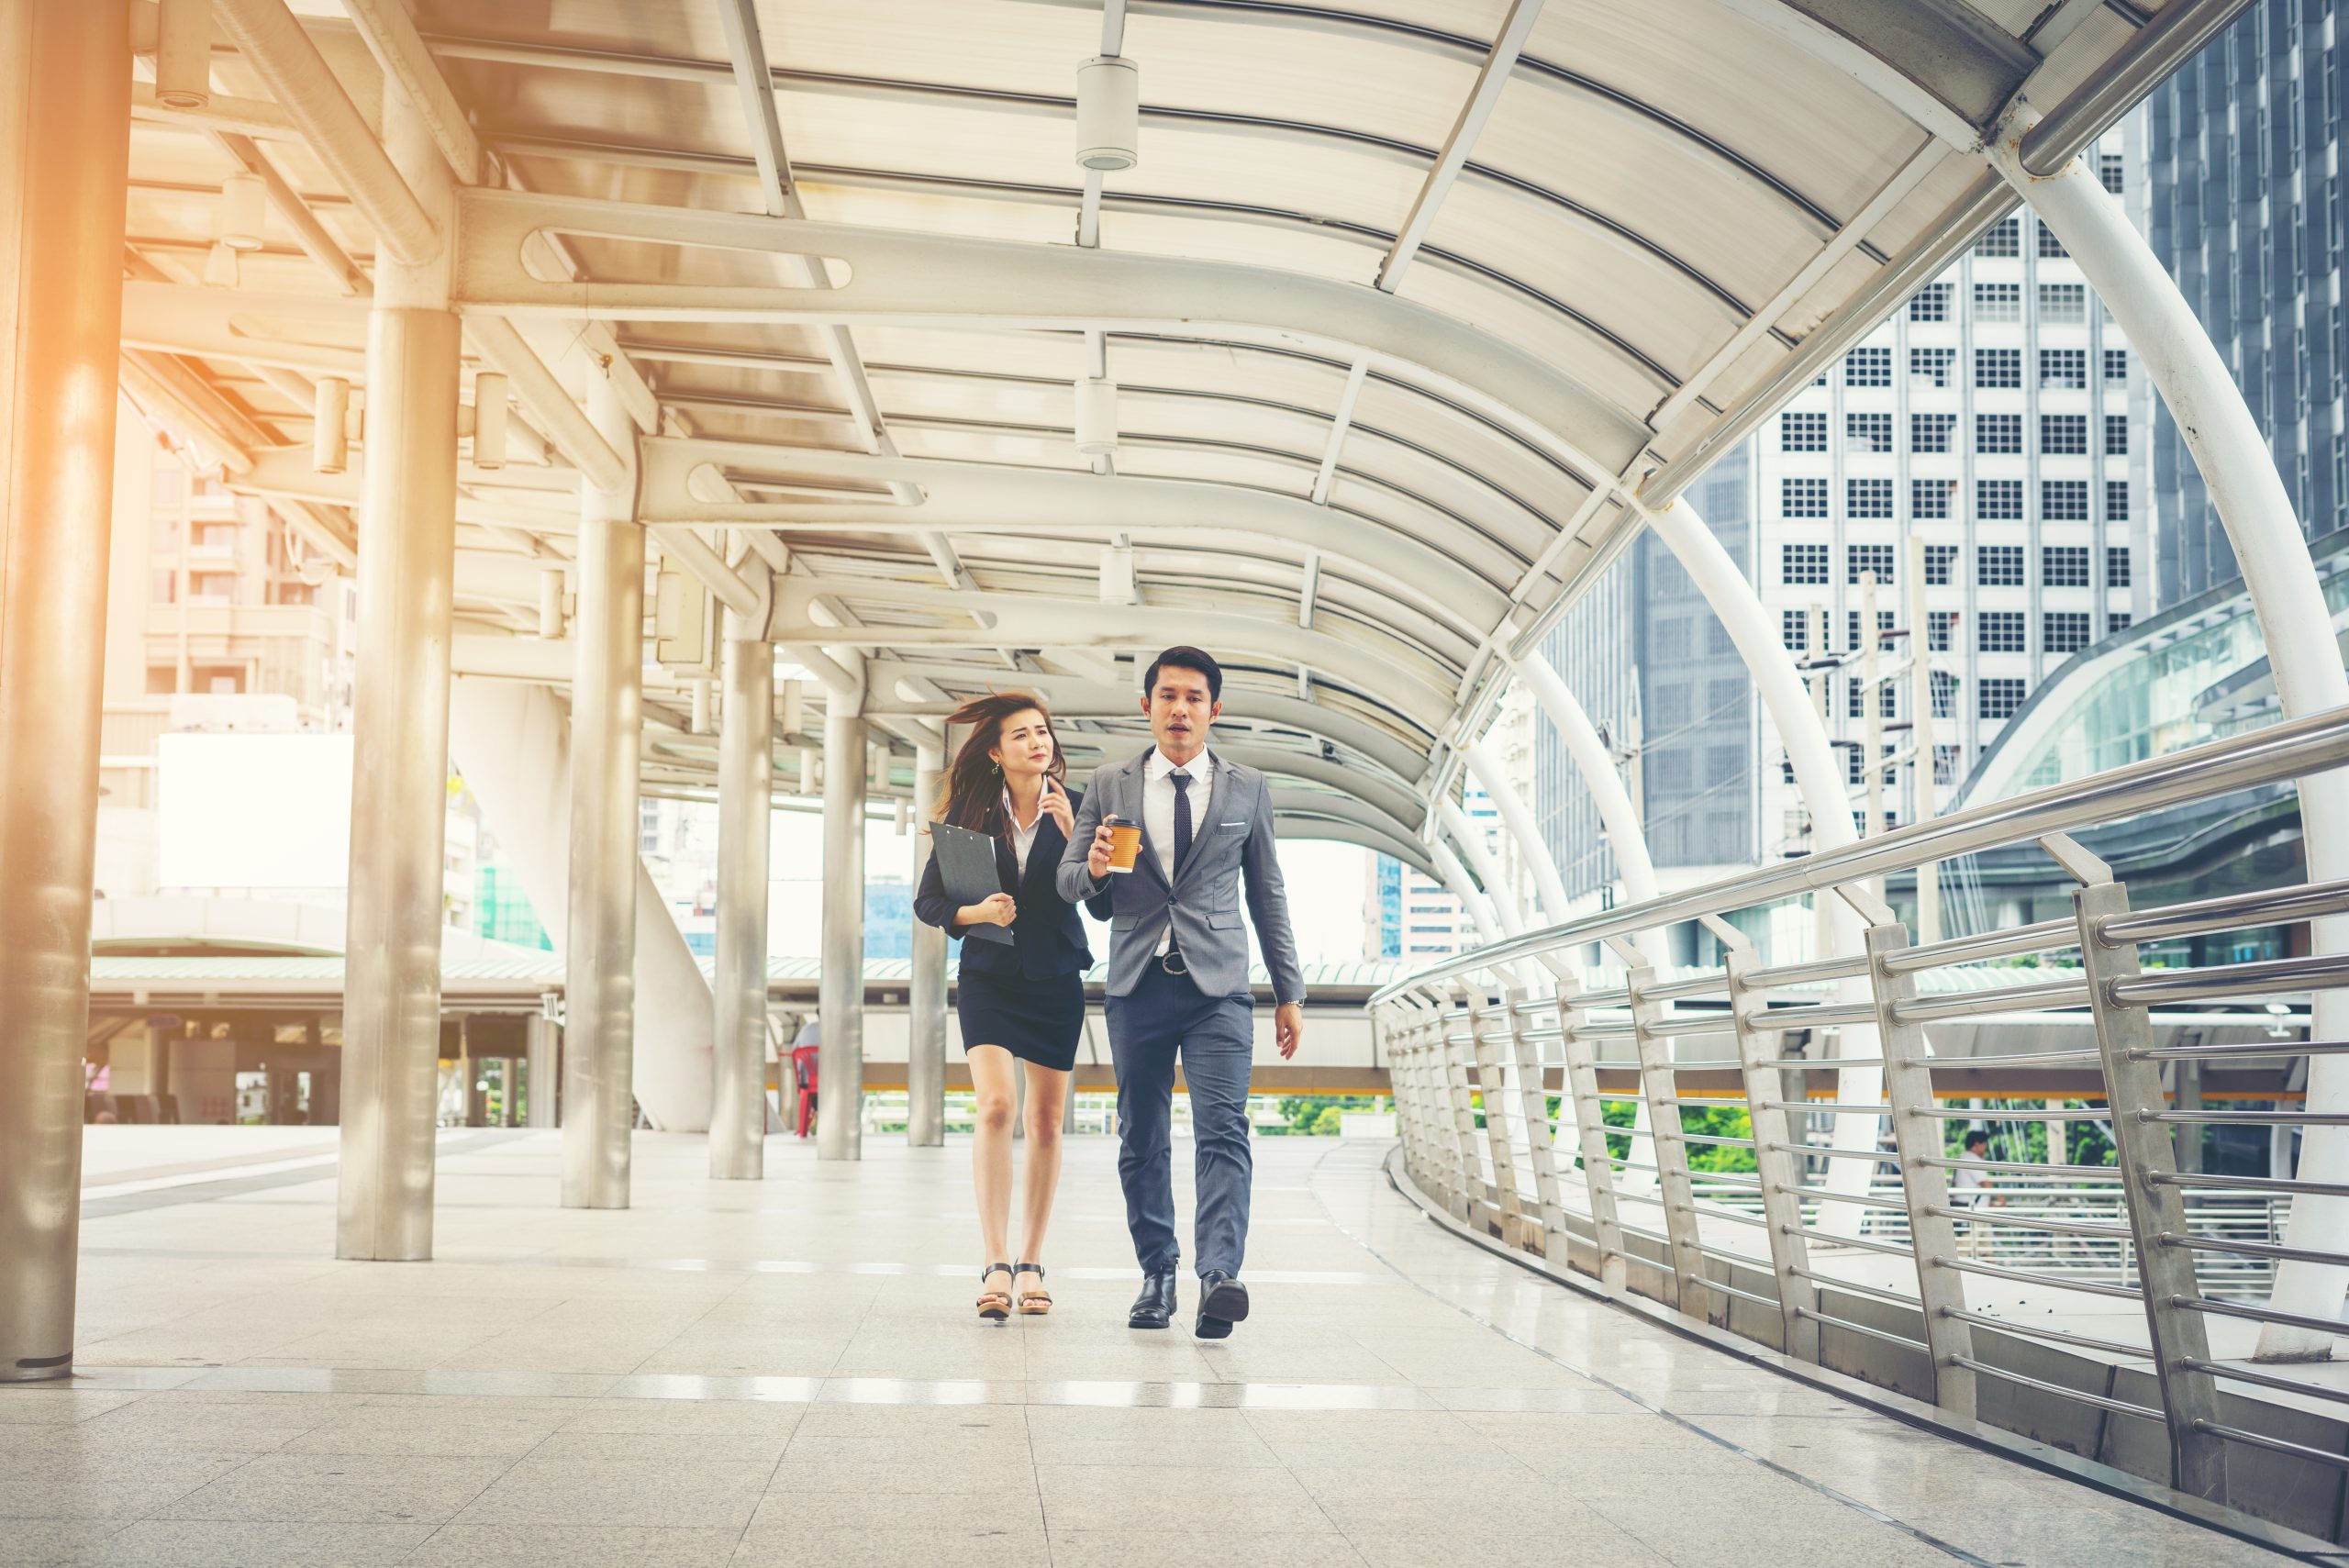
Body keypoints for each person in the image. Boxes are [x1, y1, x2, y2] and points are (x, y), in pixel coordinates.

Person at [1058, 646, 1306, 1339]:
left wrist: (1289, 991)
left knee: (1223, 1129)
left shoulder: (1247, 788)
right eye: (1168, 695)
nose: (1180, 709)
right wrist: (1095, 868)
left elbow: (1267, 891)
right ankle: (1157, 1273)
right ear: (1147, 705)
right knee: (1141, 1134)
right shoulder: (1108, 783)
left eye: (1194, 697)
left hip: (1218, 988)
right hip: (1137, 983)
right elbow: (1068, 881)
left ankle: (1219, 1275)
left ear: (1213, 710)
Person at [913, 692, 1108, 1323]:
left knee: (1047, 1121)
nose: (1037, 742)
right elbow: (930, 901)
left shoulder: (1081, 809)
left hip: (1055, 979)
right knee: (997, 1105)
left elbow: (1108, 904)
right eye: (1021, 734)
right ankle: (995, 1260)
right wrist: (977, 912)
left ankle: (1031, 1263)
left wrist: (1073, 837)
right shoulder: (971, 812)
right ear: (996, 753)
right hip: (989, 977)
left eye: (1042, 731)